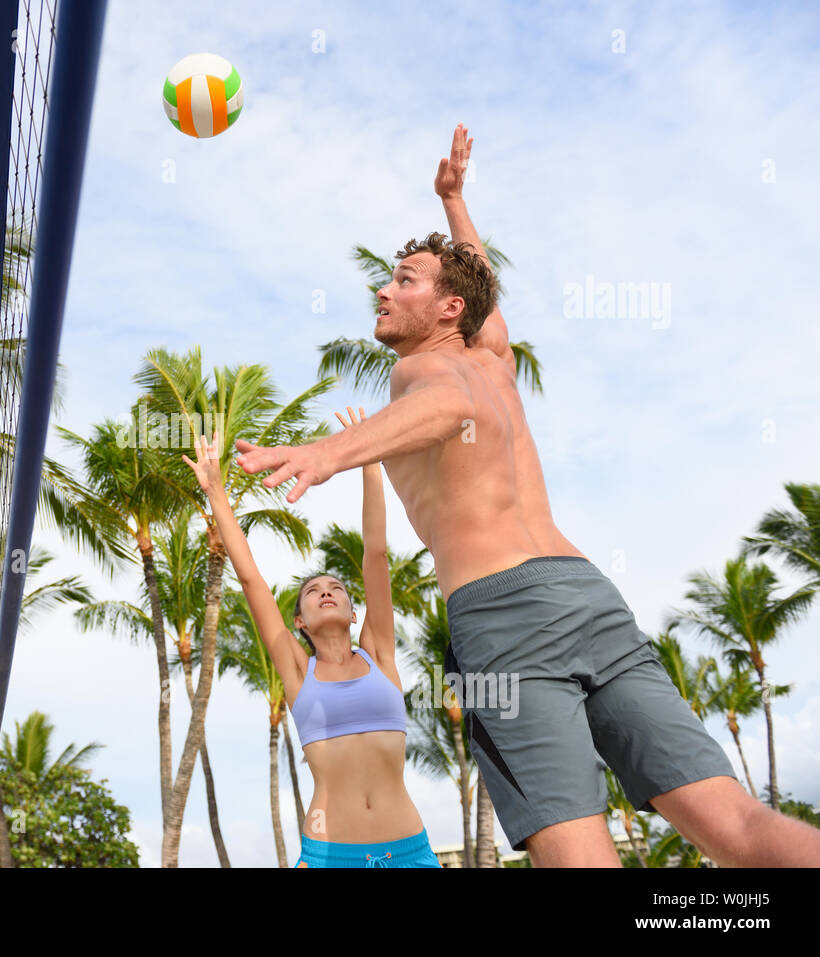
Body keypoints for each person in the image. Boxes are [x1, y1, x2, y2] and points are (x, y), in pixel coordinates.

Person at [232, 124, 820, 867]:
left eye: (405, 278)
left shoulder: (426, 372)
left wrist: (329, 452)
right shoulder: (494, 353)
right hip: (588, 595)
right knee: (736, 825)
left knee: (579, 853)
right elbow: (480, 285)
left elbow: (448, 410)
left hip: (506, 612)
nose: (383, 287)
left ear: (447, 310)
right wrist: (455, 203)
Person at [183, 411, 441, 868]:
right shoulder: (299, 670)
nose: (326, 590)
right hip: (328, 856)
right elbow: (251, 580)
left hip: (408, 851)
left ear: (352, 611)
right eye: (313, 590)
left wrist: (370, 460)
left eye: (335, 587)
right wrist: (216, 492)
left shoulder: (378, 651)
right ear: (299, 621)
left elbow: (376, 555)